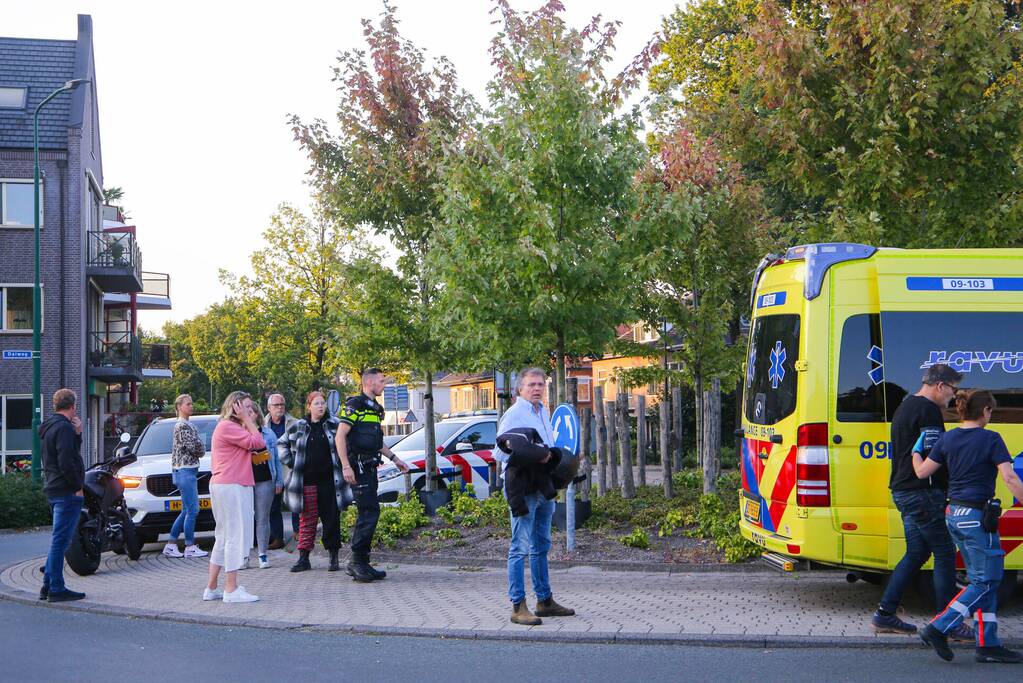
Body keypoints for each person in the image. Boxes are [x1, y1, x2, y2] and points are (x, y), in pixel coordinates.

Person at [915, 390, 1023, 664]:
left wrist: (916, 450)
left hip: (954, 514)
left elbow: (922, 472)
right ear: (986, 411)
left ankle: (988, 644)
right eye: (991, 412)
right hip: (977, 517)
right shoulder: (990, 439)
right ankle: (939, 627)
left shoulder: (948, 438)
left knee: (983, 579)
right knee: (986, 581)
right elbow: (1009, 477)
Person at [871, 363, 967, 638]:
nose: (952, 397)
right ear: (940, 385)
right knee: (945, 552)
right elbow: (934, 457)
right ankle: (947, 622)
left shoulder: (906, 406)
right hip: (921, 492)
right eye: (952, 390)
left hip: (903, 490)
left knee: (917, 553)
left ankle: (885, 615)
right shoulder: (928, 411)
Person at [493, 367, 575, 625]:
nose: (537, 388)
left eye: (540, 384)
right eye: (531, 385)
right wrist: (531, 456)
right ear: (520, 389)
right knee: (519, 548)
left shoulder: (544, 411)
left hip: (544, 487)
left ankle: (544, 600)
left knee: (542, 546)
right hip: (525, 489)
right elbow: (499, 453)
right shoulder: (515, 414)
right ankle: (518, 606)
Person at [336, 369, 410, 582]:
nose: (384, 384)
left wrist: (395, 459)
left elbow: (377, 443)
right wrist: (346, 466)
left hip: (370, 467)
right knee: (368, 512)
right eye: (381, 381)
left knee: (370, 513)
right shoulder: (354, 405)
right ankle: (356, 562)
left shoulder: (376, 409)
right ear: (368, 382)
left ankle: (363, 562)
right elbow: (340, 436)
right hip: (357, 467)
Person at [205, 391, 264, 603]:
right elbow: (258, 442)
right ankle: (231, 589)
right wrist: (249, 421)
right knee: (234, 536)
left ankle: (212, 588)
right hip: (233, 485)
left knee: (222, 536)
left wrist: (247, 421)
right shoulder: (228, 426)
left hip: (226, 484)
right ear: (235, 407)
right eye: (246, 407)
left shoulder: (227, 427)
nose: (250, 411)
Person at [279, 391, 348, 573]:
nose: (320, 406)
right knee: (307, 520)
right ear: (309, 406)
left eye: (323, 403)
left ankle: (333, 557)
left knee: (331, 519)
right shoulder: (298, 426)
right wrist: (291, 461)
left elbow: (346, 443)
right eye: (316, 403)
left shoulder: (335, 424)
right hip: (306, 481)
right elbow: (281, 444)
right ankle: (304, 558)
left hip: (330, 482)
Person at [39, 389, 86, 602]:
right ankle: (56, 588)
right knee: (61, 541)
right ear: (73, 406)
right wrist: (77, 485)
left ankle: (47, 585)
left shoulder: (49, 427)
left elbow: (61, 455)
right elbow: (67, 460)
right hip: (66, 490)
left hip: (53, 487)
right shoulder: (63, 428)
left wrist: (78, 434)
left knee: (59, 539)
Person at [163, 394, 208, 559]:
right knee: (193, 510)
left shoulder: (188, 425)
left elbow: (198, 446)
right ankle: (189, 546)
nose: (191, 406)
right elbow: (195, 448)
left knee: (186, 510)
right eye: (188, 404)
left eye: (191, 403)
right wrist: (199, 446)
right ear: (179, 407)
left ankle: (171, 544)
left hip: (187, 471)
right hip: (185, 471)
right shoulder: (182, 426)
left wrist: (199, 445)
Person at [264, 393, 298, 550]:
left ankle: (298, 533)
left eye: (282, 404)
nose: (280, 408)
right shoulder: (262, 425)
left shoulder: (294, 423)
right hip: (271, 470)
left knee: (295, 503)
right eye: (276, 405)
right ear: (269, 408)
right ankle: (278, 537)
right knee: (273, 505)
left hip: (290, 468)